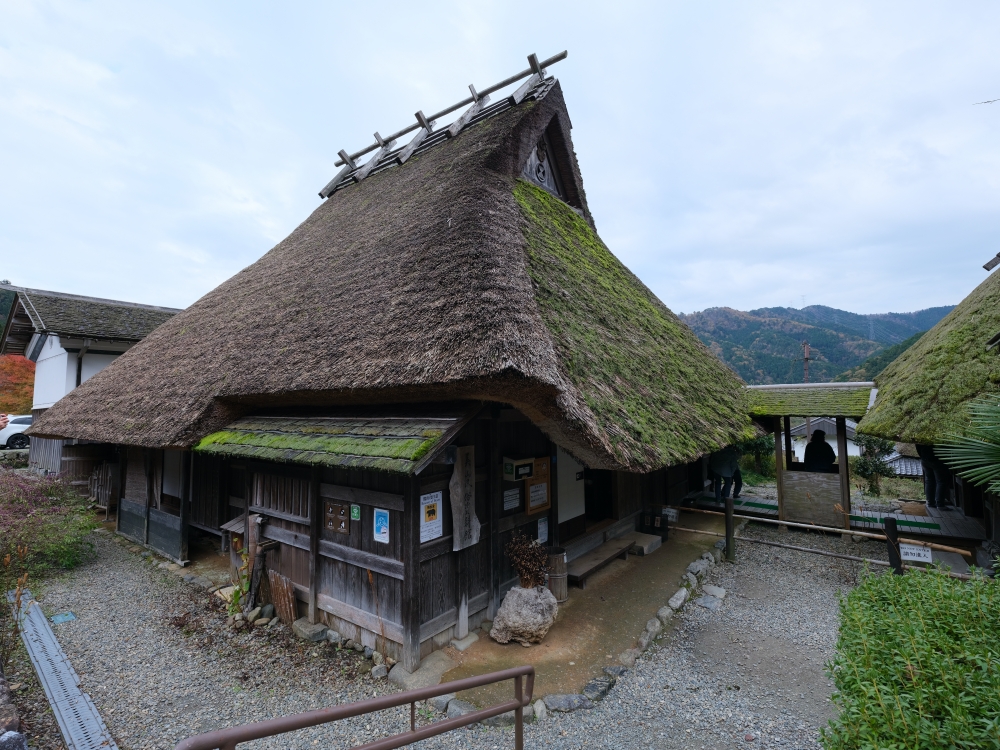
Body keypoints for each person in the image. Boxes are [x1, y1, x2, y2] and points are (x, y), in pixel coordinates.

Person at [915, 444, 954, 510]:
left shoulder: (921, 435)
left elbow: (917, 446)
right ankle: (940, 504)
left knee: (929, 480)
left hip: (924, 459)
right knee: (941, 482)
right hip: (937, 459)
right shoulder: (937, 435)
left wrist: (922, 456)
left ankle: (930, 503)